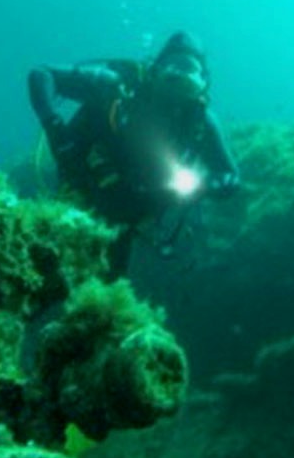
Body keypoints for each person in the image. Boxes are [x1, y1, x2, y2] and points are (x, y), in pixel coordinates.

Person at [28, 31, 240, 277]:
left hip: (134, 213)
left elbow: (229, 175)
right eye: (173, 65)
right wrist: (54, 127)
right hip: (82, 188)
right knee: (46, 266)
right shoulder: (116, 87)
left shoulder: (201, 120)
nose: (179, 74)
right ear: (155, 68)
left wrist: (212, 185)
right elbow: (41, 75)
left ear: (203, 81)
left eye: (189, 68)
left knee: (107, 278)